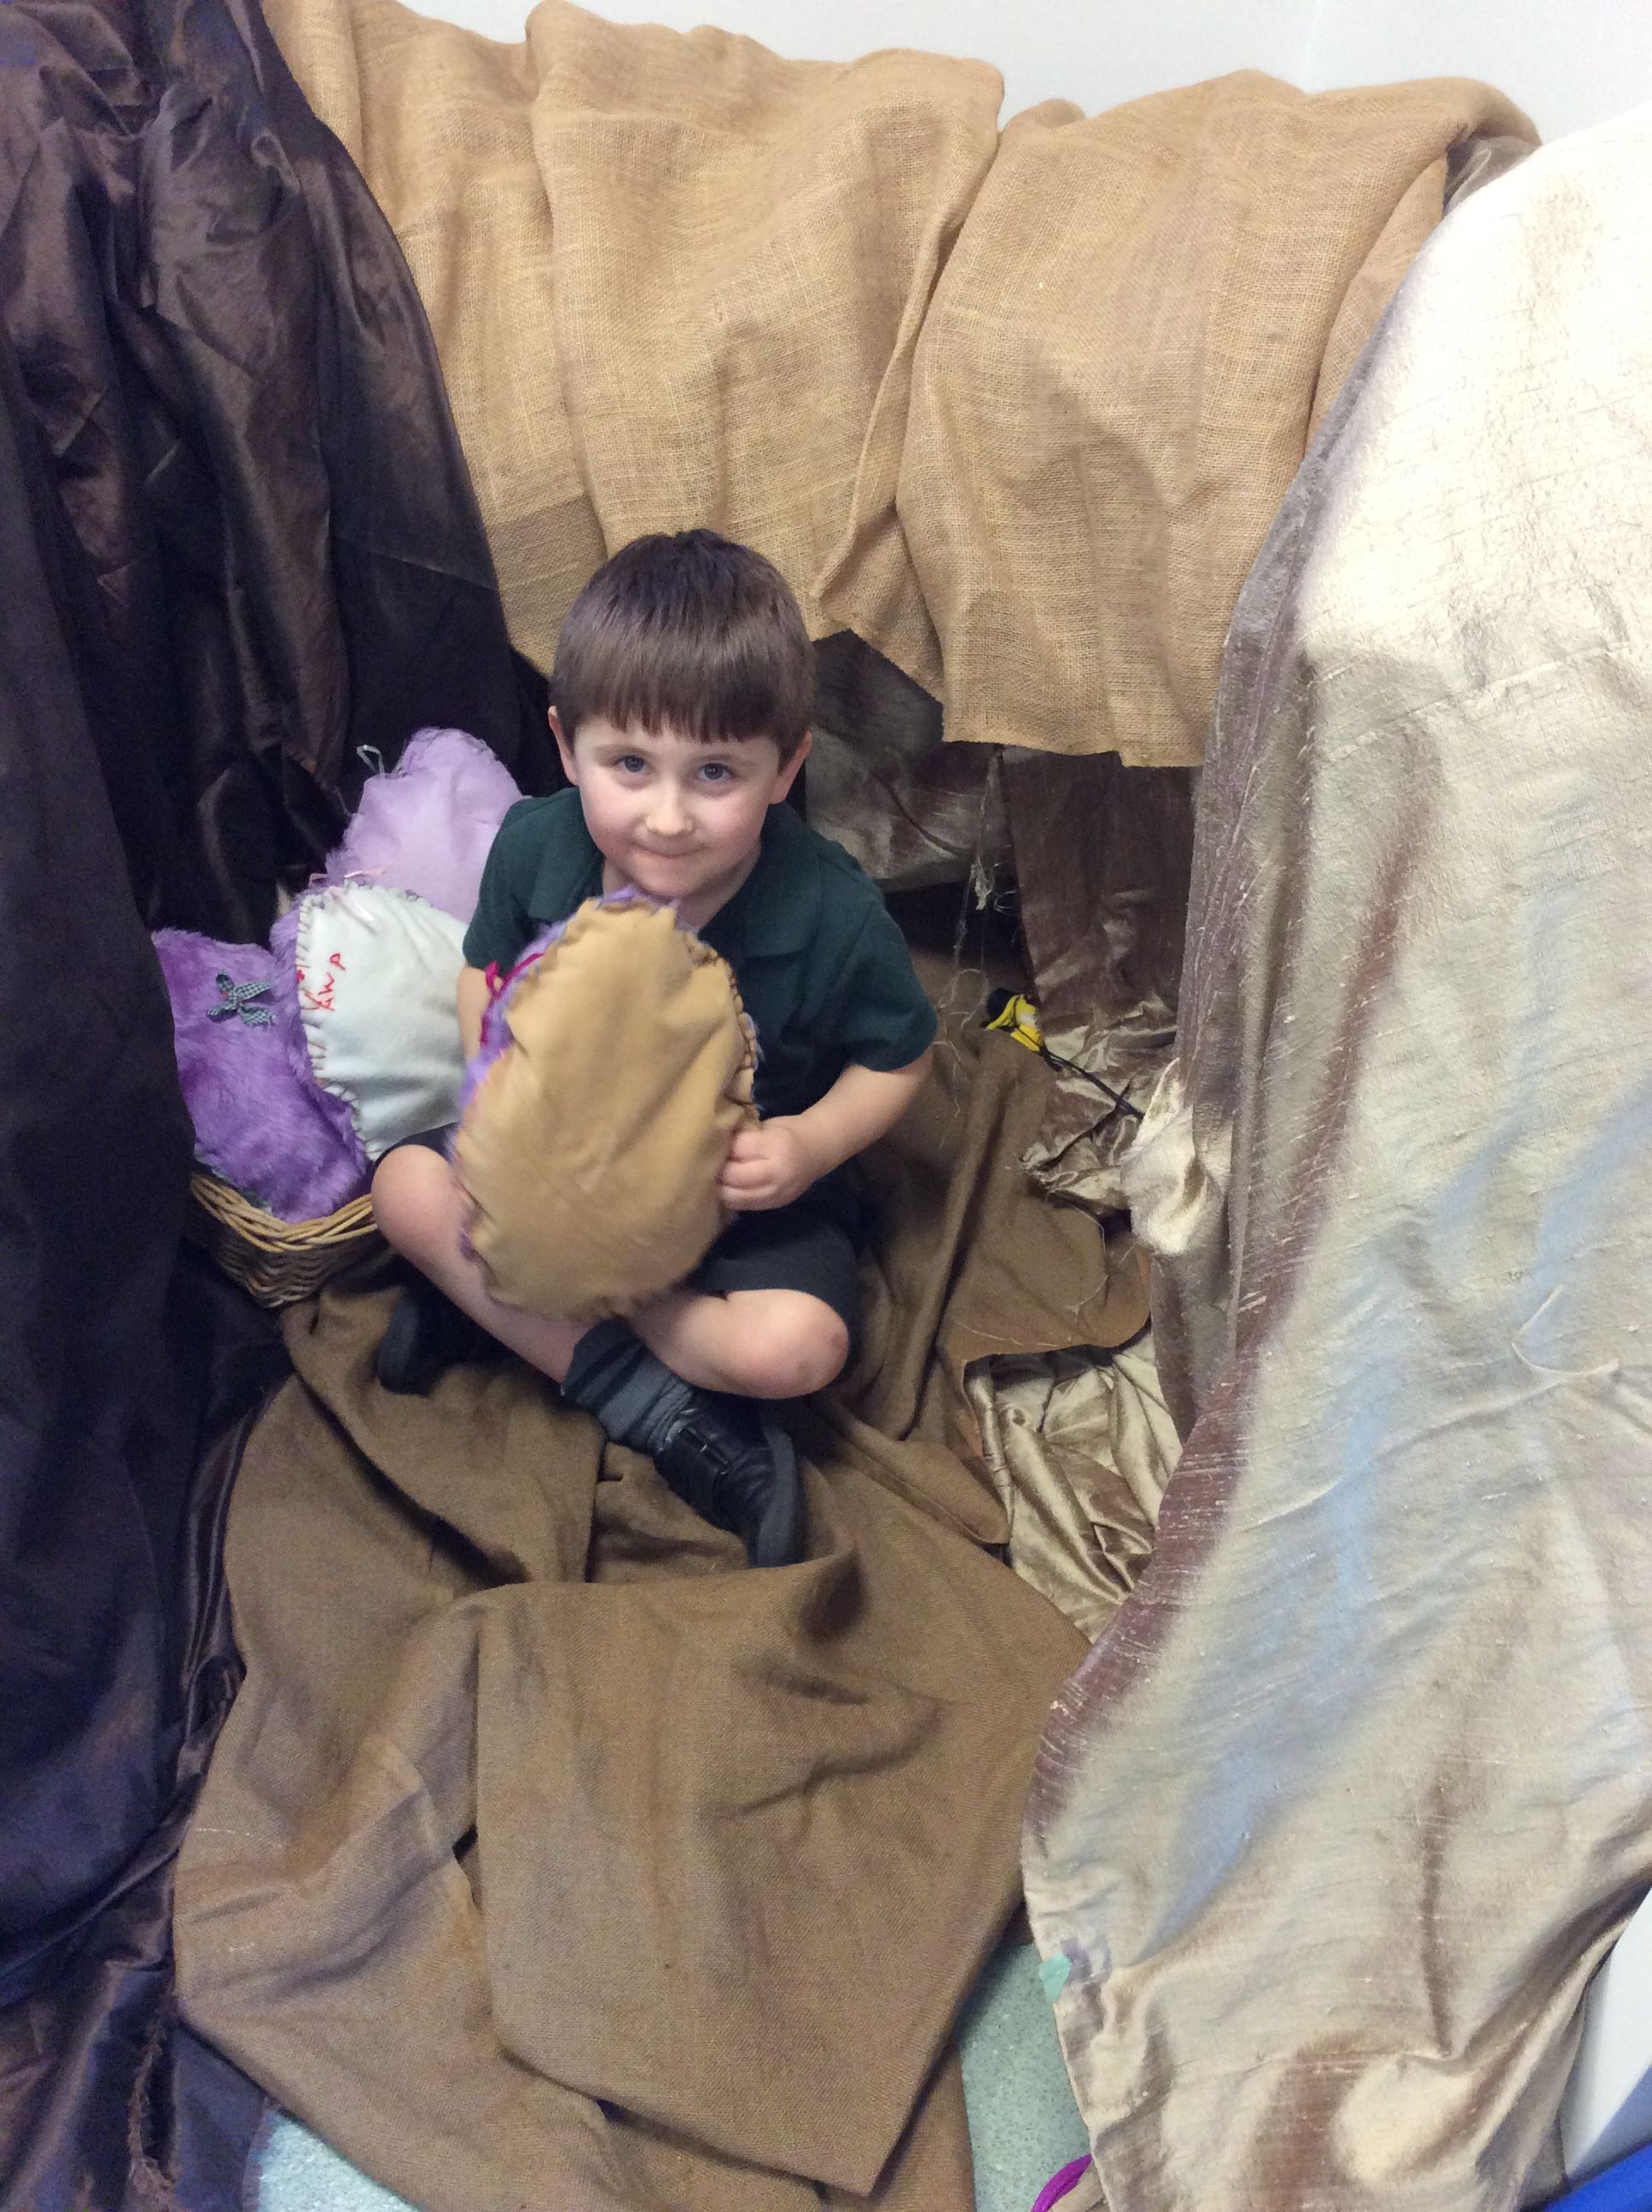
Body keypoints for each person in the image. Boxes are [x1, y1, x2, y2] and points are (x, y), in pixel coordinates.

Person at [369, 530, 937, 1569]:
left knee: (800, 1348)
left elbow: (900, 1060)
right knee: (405, 1186)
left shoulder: (832, 911)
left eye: (715, 772)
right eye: (629, 765)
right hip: (557, 1164)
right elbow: (479, 974)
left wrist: (808, 1146)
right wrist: (493, 1079)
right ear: (565, 744)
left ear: (786, 769)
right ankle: (657, 1407)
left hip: (731, 1213)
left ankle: (545, 1323)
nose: (668, 818)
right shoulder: (536, 849)